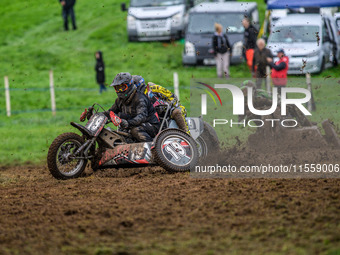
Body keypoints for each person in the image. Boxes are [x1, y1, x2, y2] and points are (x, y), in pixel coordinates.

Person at [106, 72, 160, 142]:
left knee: (135, 130)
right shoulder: (119, 101)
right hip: (133, 124)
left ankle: (152, 149)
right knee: (113, 134)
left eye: (122, 87)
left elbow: (141, 117)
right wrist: (96, 115)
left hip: (152, 126)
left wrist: (128, 123)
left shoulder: (140, 98)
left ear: (129, 85)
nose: (119, 91)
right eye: (117, 88)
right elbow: (110, 112)